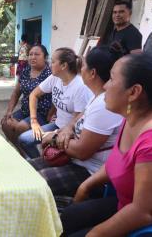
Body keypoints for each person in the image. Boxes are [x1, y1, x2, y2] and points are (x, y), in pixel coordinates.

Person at [61, 53, 152, 236]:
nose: (105, 85)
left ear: (134, 92)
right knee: (69, 216)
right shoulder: (130, 120)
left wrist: (95, 234)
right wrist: (85, 186)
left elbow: (145, 213)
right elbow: (116, 161)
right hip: (123, 203)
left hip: (142, 223)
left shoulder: (151, 141)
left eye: (112, 79)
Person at [28, 46, 123, 203]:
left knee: (31, 183)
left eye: (83, 66)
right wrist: (68, 128)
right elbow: (79, 117)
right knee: (24, 169)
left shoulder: (103, 105)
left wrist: (52, 138)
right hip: (72, 160)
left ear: (92, 73)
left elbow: (82, 152)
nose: (80, 70)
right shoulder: (96, 97)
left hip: (88, 171)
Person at [18, 48, 92, 158]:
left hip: (71, 132)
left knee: (34, 142)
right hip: (57, 125)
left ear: (63, 66)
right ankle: (38, 162)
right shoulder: (55, 78)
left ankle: (41, 164)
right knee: (24, 139)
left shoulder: (80, 87)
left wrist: (54, 135)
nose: (50, 64)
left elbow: (76, 121)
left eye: (53, 62)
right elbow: (34, 95)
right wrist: (34, 121)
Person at [1, 45, 52, 153]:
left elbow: (57, 97)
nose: (33, 57)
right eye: (30, 54)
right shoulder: (26, 71)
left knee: (20, 127)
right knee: (6, 123)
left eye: (37, 54)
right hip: (25, 111)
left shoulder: (49, 74)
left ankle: (34, 158)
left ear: (45, 57)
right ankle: (22, 153)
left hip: (42, 114)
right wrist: (9, 111)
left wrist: (51, 115)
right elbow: (16, 93)